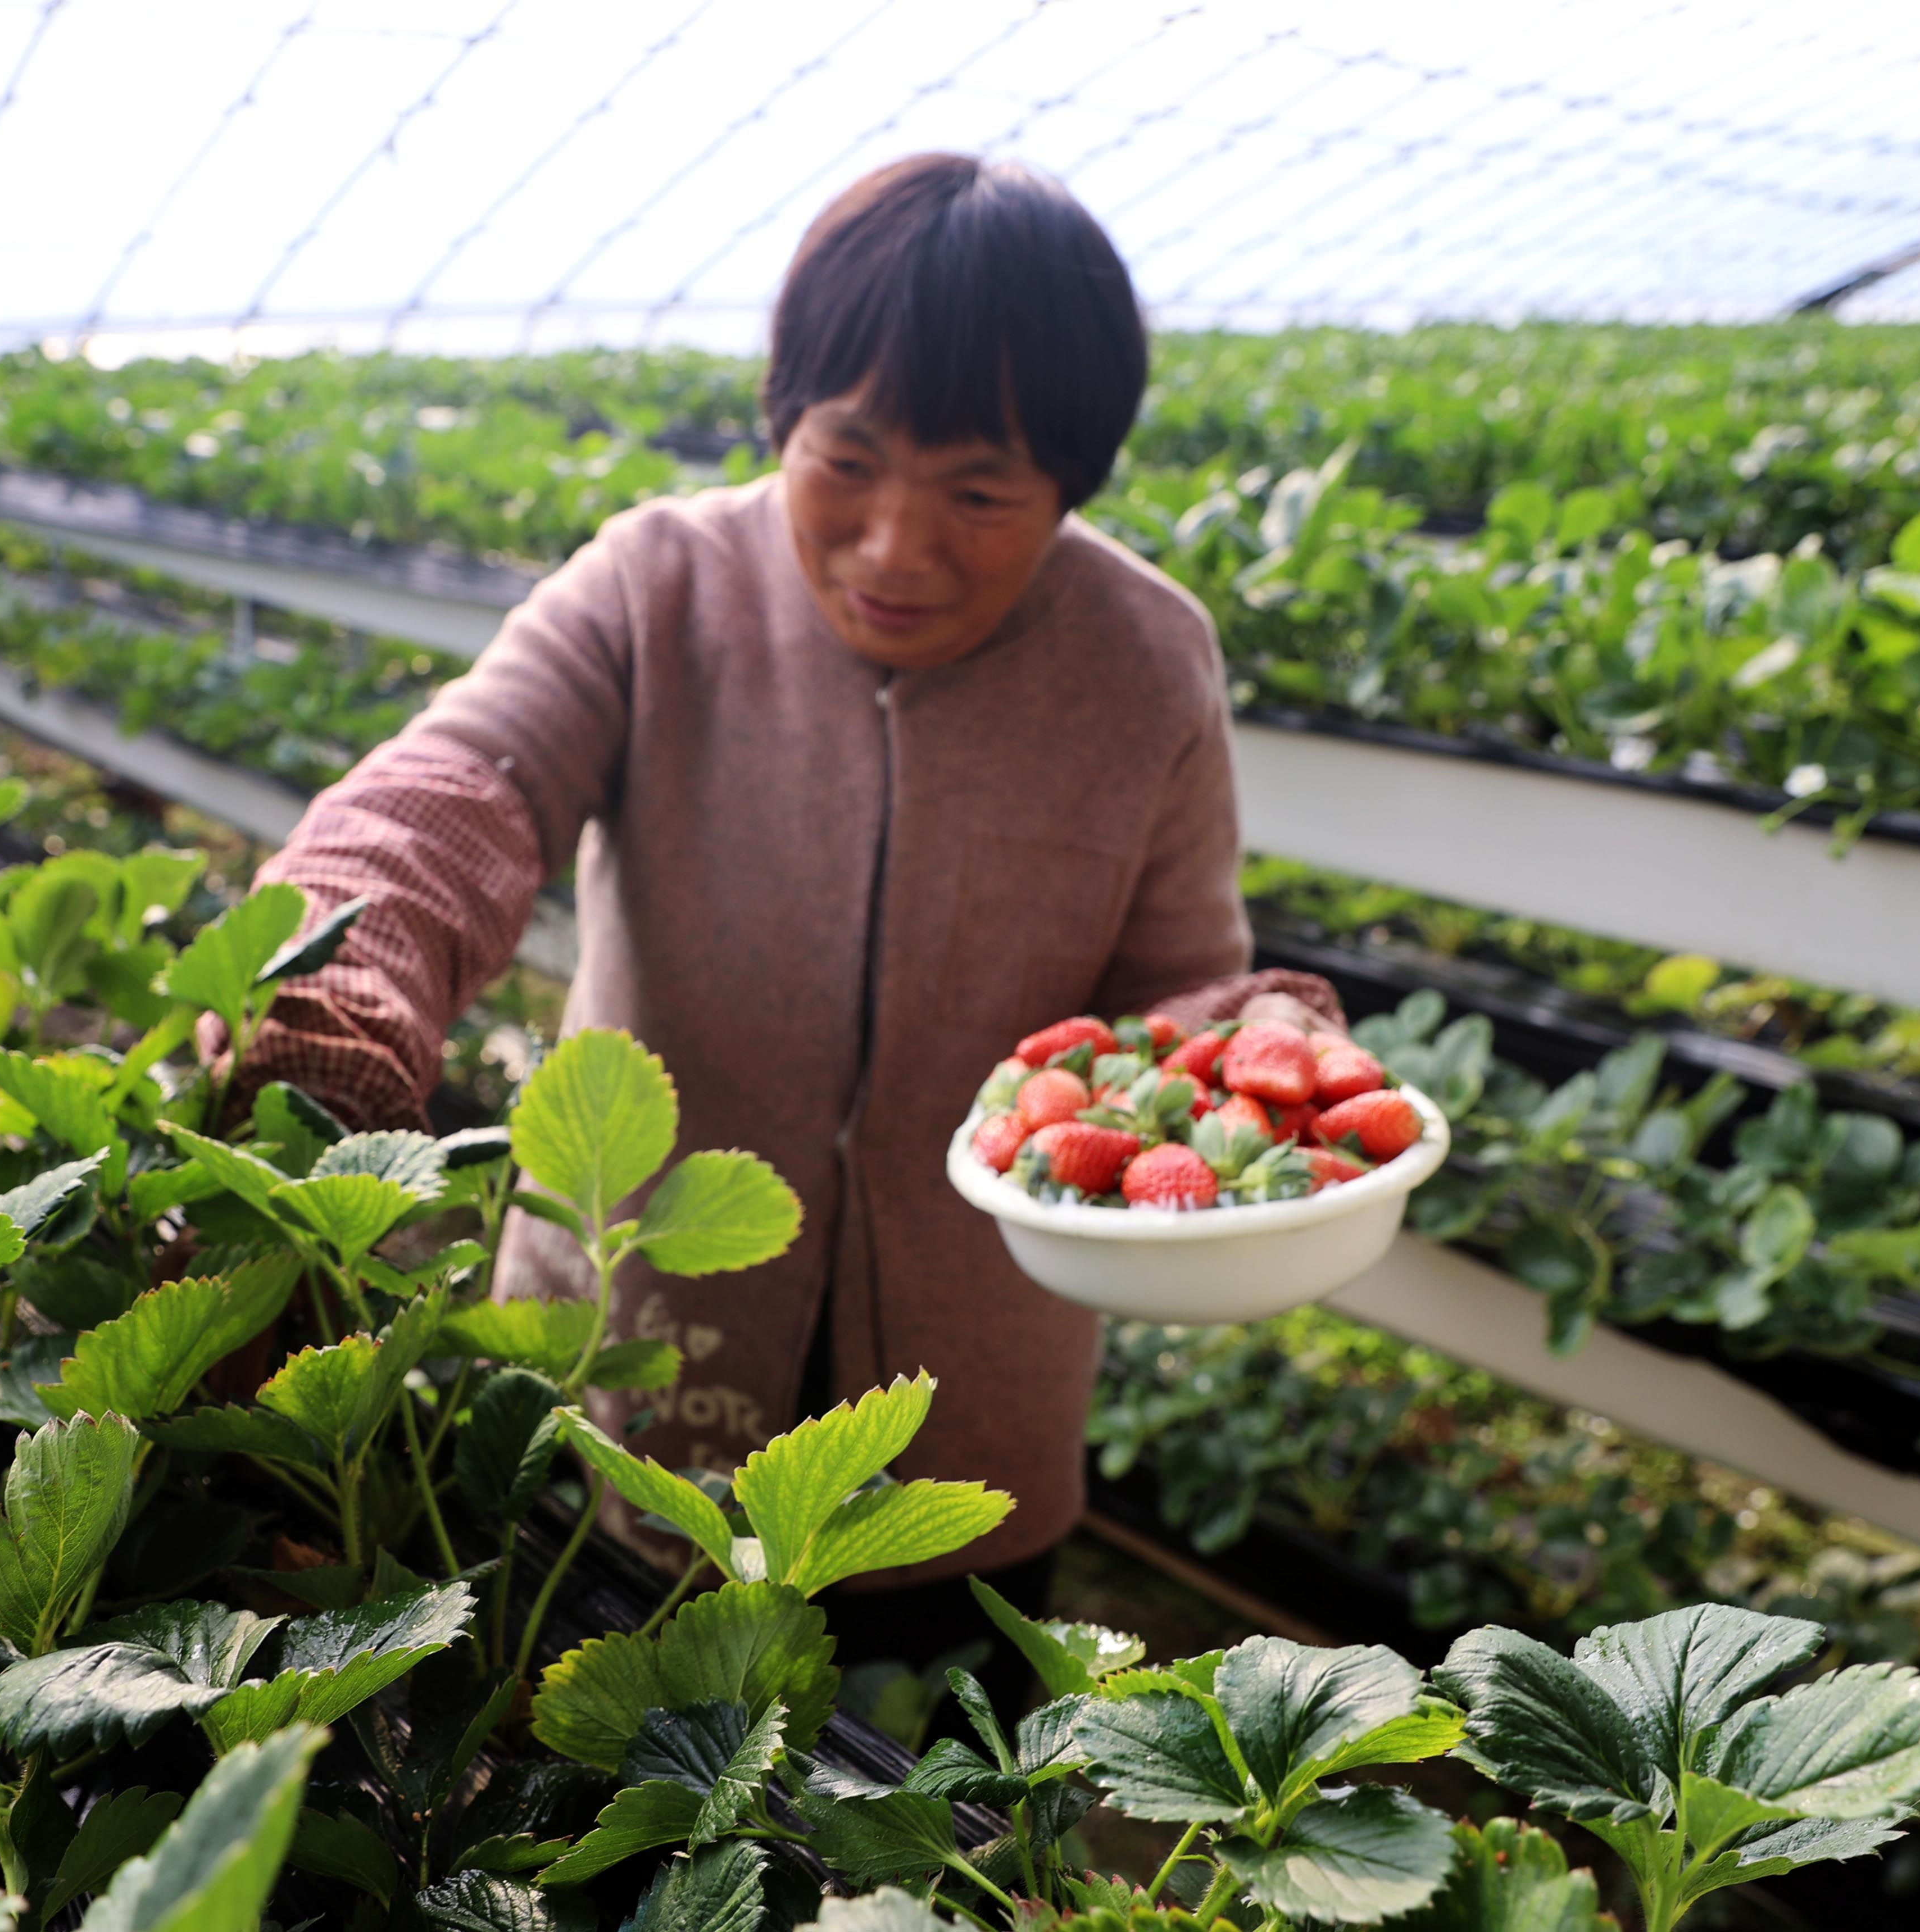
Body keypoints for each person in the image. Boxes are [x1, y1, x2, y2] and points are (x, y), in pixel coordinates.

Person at [221, 152, 1340, 1692]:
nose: (896, 546)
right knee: (590, 1763)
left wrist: (1260, 1047)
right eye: (850, 460)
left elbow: (1175, 997)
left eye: (978, 493)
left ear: (1070, 487)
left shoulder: (1142, 660)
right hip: (619, 1358)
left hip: (968, 1426)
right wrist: (341, 981)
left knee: (921, 1821)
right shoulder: (656, 586)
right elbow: (462, 784)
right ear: (783, 419)